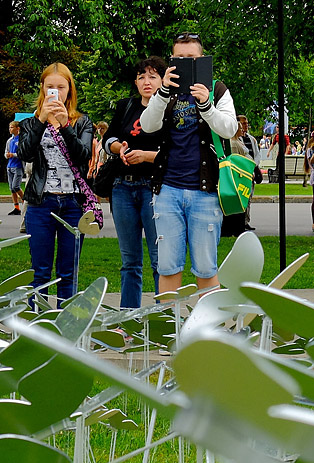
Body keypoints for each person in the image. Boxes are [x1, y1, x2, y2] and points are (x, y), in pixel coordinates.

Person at [140, 32, 238, 294]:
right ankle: (168, 330)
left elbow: (229, 128)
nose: (185, 62)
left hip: (204, 191)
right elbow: (148, 126)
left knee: (206, 267)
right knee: (168, 266)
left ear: (202, 59)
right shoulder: (166, 90)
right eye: (179, 58)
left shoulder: (217, 88)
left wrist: (206, 104)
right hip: (168, 189)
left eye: (191, 58)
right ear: (172, 60)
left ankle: (209, 329)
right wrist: (161, 93)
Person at [17, 62, 93, 306]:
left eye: (61, 87)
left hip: (72, 203)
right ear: (42, 89)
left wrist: (65, 126)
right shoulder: (30, 123)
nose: (56, 92)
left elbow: (83, 155)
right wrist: (41, 120)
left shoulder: (81, 122)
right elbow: (25, 154)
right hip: (41, 202)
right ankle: (37, 328)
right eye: (50, 87)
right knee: (40, 271)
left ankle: (65, 329)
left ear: (69, 89)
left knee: (68, 273)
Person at [102, 56, 166, 308]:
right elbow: (109, 139)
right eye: (141, 77)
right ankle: (128, 321)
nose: (146, 82)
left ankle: (163, 321)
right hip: (122, 189)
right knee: (130, 262)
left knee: (160, 261)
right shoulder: (126, 106)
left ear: (163, 80)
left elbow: (177, 153)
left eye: (152, 76)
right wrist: (120, 148)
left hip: (154, 190)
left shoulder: (169, 109)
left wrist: (146, 156)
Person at [236, 114, 261, 232]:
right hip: (242, 173)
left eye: (246, 123)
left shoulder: (251, 139)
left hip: (251, 171)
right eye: (243, 123)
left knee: (249, 197)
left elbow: (256, 154)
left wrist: (254, 166)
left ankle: (246, 220)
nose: (245, 126)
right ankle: (241, 222)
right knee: (243, 197)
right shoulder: (236, 139)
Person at [5, 121, 23, 215]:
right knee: (12, 189)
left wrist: (14, 155)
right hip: (10, 166)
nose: (10, 129)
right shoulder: (9, 140)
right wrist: (7, 155)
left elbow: (23, 153)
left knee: (16, 186)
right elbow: (6, 151)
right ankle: (16, 207)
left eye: (12, 127)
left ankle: (25, 203)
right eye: (9, 127)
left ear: (17, 128)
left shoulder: (20, 140)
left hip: (18, 166)